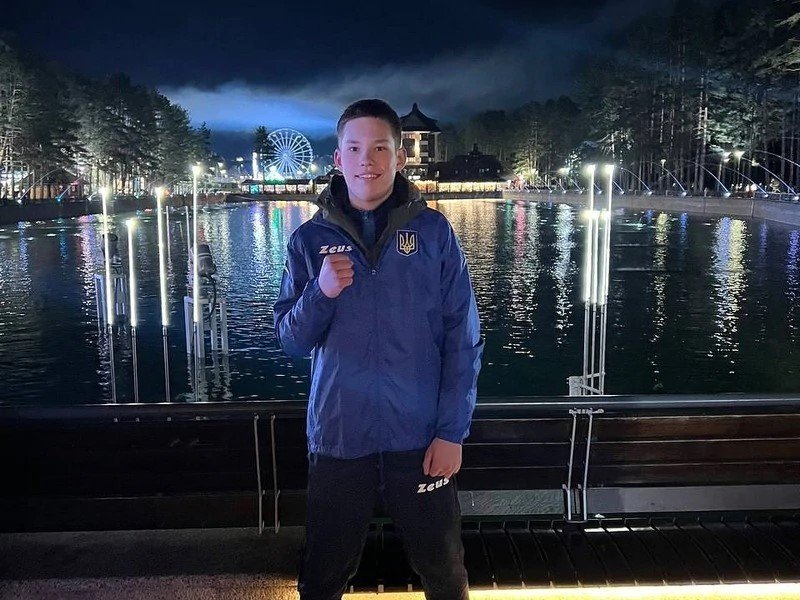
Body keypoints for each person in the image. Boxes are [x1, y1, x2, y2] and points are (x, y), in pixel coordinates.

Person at [273, 98, 483, 600]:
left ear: (399, 157)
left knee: (444, 571)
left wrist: (451, 432)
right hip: (339, 436)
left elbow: (463, 338)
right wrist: (320, 293)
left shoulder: (434, 234)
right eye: (354, 148)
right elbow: (291, 340)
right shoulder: (308, 241)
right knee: (323, 575)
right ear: (338, 158)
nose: (366, 160)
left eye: (380, 148)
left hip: (420, 438)